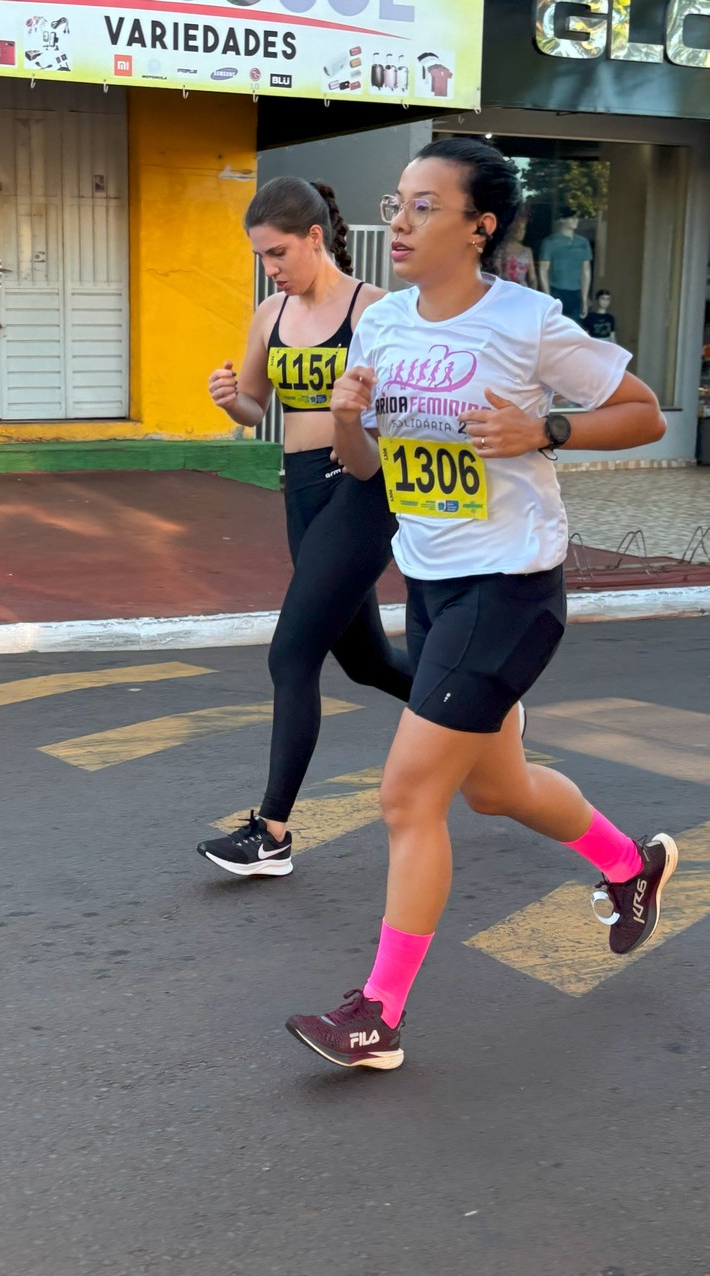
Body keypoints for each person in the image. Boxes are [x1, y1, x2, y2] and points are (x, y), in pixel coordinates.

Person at [285, 137, 677, 1070]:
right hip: (431, 583)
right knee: (497, 789)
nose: (402, 222)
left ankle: (377, 1015)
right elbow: (363, 468)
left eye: (426, 206)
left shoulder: (527, 320)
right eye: (397, 203)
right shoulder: (382, 327)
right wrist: (345, 421)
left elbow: (645, 411)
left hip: (509, 589)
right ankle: (632, 868)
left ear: (479, 225)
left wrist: (542, 427)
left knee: (408, 794)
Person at [196, 177, 412, 878]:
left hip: (360, 487)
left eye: (279, 252)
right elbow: (258, 408)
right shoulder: (270, 314)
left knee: (291, 655)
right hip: (301, 494)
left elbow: (396, 417)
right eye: (261, 256)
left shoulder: (375, 311)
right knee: (366, 661)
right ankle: (490, 714)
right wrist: (231, 400)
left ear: (315, 238)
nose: (272, 267)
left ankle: (272, 833)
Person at [537, 209, 592, 321]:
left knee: (574, 329)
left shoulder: (583, 242)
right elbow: (543, 270)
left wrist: (585, 299)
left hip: (576, 293)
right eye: (572, 218)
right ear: (562, 220)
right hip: (556, 290)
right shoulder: (550, 242)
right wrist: (548, 297)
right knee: (555, 328)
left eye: (577, 218)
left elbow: (586, 271)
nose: (576, 221)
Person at [496, 212, 535, 288]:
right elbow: (498, 274)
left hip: (523, 289)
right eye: (517, 229)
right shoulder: (501, 249)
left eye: (523, 229)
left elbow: (532, 278)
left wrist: (534, 294)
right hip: (506, 288)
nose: (521, 232)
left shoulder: (527, 251)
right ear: (511, 230)